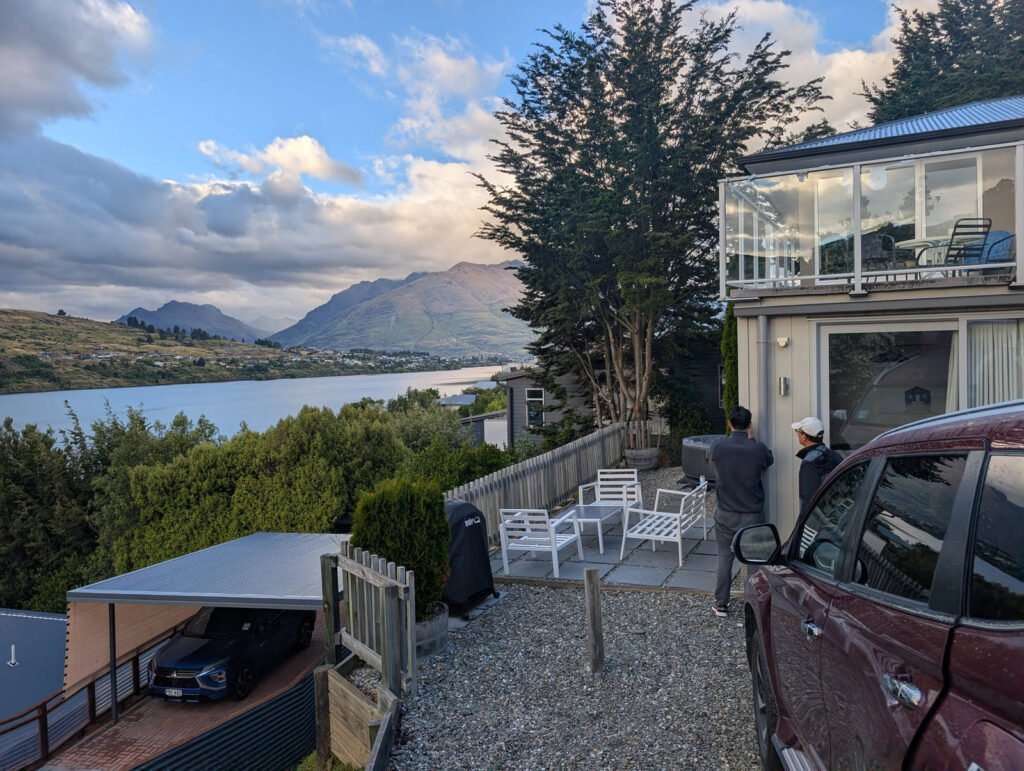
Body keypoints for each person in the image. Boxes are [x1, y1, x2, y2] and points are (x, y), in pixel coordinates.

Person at [710, 405, 774, 617]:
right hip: (752, 515)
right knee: (754, 560)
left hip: (725, 514)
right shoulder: (757, 449)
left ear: (730, 424)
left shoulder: (718, 447)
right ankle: (756, 605)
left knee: (724, 558)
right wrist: (752, 440)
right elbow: (768, 461)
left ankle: (721, 604)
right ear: (749, 425)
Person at [792, 416, 842, 511]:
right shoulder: (833, 455)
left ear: (804, 436)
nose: (797, 434)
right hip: (835, 513)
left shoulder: (809, 463)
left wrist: (804, 523)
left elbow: (809, 499)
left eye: (798, 431)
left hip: (818, 520)